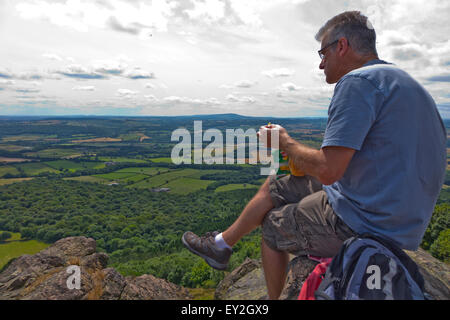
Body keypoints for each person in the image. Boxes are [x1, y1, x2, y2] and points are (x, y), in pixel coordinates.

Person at [182, 11, 447, 299]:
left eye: (323, 53)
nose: (321, 64)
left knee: (272, 226)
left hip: (369, 222)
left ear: (342, 46)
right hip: (399, 213)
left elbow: (328, 170)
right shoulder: (405, 83)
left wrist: (284, 142)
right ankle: (221, 245)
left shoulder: (357, 82)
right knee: (277, 186)